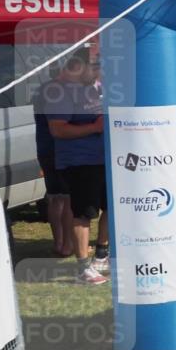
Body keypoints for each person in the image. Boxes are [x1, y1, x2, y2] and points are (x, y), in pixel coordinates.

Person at [47, 49, 109, 285]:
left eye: (100, 65)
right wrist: (94, 127)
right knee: (84, 213)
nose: (99, 69)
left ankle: (101, 255)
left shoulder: (99, 88)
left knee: (112, 207)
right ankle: (83, 268)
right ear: (78, 66)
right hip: (80, 161)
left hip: (105, 159)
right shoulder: (61, 92)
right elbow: (57, 129)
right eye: (94, 65)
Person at [33, 65, 74, 257]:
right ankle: (68, 245)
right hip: (61, 149)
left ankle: (58, 243)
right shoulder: (61, 92)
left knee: (55, 198)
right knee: (67, 199)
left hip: (45, 148)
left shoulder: (42, 90)